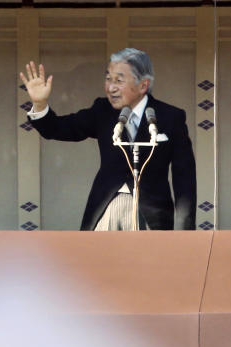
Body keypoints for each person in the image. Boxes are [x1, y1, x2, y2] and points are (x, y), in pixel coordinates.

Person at [20, 48, 196, 231]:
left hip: (152, 215)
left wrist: (185, 230)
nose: (110, 88)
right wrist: (40, 104)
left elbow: (184, 178)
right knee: (98, 259)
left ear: (143, 85)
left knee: (147, 260)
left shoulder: (170, 117)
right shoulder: (102, 111)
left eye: (119, 81)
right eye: (108, 79)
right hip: (105, 209)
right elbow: (57, 129)